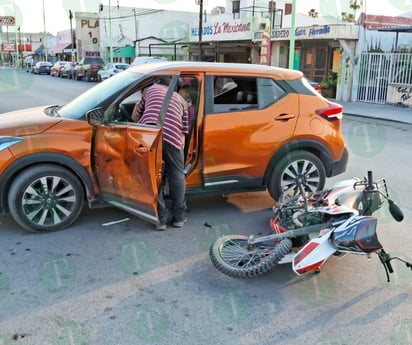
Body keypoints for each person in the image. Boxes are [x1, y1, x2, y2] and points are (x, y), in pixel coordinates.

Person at [135, 80, 189, 230]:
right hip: (173, 136)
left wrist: (142, 97)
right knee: (177, 173)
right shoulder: (181, 100)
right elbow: (184, 131)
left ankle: (161, 218)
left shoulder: (150, 90)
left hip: (151, 136)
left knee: (152, 175)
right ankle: (179, 217)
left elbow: (135, 117)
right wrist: (178, 146)